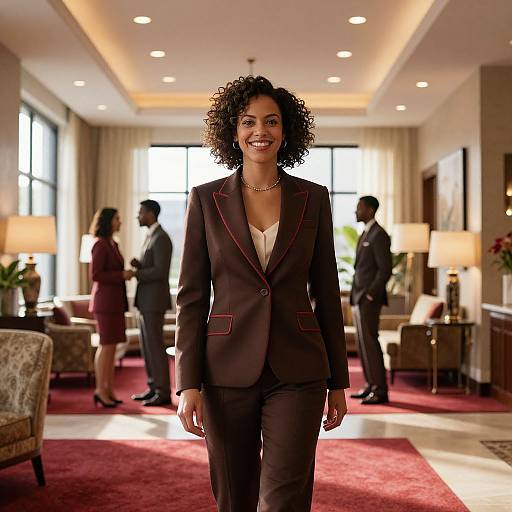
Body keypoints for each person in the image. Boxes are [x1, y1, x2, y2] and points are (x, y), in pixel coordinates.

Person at [175, 75, 349, 512]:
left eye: (271, 122)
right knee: (233, 495)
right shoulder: (205, 199)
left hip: (299, 368)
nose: (260, 132)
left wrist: (339, 382)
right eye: (249, 122)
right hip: (224, 368)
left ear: (287, 130)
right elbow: (192, 297)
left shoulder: (313, 198)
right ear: (232, 132)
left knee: (286, 497)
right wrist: (186, 383)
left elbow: (327, 292)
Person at [89, 208, 133, 408]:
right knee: (105, 346)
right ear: (108, 221)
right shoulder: (99, 244)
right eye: (117, 218)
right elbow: (96, 275)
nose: (120, 222)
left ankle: (108, 388)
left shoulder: (113, 244)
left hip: (115, 302)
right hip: (105, 303)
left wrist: (123, 273)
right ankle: (100, 389)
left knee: (112, 347)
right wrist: (121, 275)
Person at [350, 196, 392, 405]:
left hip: (368, 298)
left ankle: (380, 390)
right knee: (362, 344)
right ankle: (369, 385)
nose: (356, 212)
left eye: (359, 208)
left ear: (370, 210)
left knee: (371, 342)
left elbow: (385, 270)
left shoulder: (379, 235)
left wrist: (370, 294)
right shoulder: (365, 233)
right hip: (358, 297)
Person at [130, 199, 173, 406]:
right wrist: (139, 265)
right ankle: (153, 387)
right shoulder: (151, 236)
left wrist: (135, 272)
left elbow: (160, 271)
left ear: (150, 214)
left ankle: (163, 392)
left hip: (154, 302)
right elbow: (152, 266)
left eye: (140, 212)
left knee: (155, 347)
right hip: (145, 301)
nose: (137, 216)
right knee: (147, 348)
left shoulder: (161, 238)